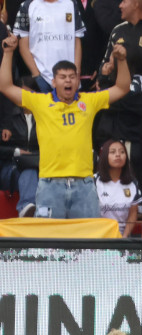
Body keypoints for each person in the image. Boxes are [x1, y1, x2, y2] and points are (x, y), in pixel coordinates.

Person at [0, 36, 131, 219]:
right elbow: (5, 86)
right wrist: (7, 53)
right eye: (62, 77)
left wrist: (122, 60)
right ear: (54, 82)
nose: (68, 81)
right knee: (48, 244)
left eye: (72, 77)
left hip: (84, 185)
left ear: (78, 81)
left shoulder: (90, 100)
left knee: (88, 243)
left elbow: (123, 87)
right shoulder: (40, 102)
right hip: (49, 184)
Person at [14, 0, 84, 93]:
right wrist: (36, 75)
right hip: (42, 78)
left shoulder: (71, 3)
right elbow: (23, 45)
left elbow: (77, 40)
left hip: (68, 78)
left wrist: (76, 72)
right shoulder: (26, 6)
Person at [0, 81, 39, 218]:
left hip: (39, 167)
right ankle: (26, 207)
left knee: (33, 170)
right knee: (29, 170)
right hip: (10, 168)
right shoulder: (7, 119)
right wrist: (17, 151)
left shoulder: (44, 117)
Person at [95, 139, 142, 237]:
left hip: (122, 236)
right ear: (104, 156)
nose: (118, 155)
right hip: (99, 236)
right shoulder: (94, 181)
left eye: (122, 152)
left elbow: (133, 213)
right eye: (112, 152)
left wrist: (124, 238)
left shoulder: (132, 183)